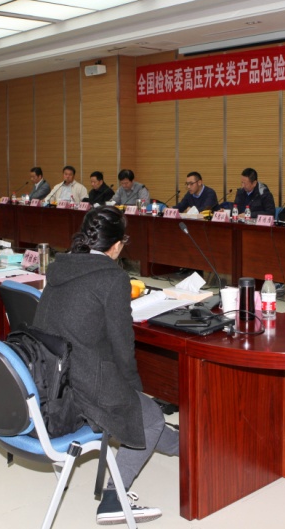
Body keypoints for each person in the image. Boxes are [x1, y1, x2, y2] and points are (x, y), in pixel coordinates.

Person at [34, 207, 178, 525]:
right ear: (116, 245)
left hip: (50, 379)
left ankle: (186, 447)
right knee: (150, 418)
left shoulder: (60, 266)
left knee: (143, 414)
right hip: (81, 383)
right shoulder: (112, 277)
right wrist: (134, 390)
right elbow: (123, 346)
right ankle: (114, 499)